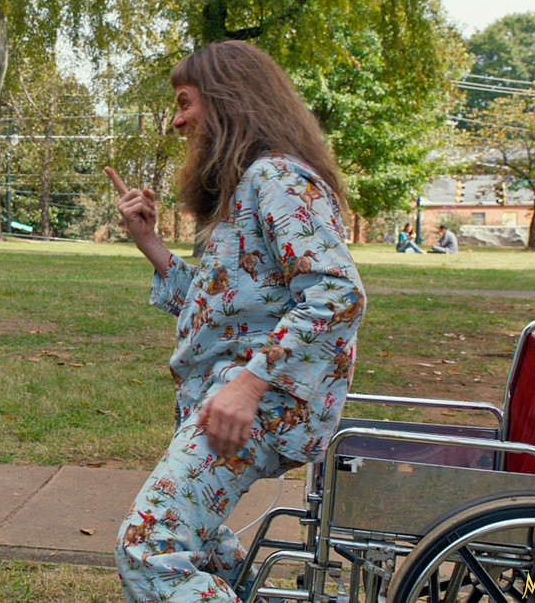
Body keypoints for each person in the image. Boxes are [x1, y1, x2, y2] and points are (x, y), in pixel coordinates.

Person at [107, 41, 366, 602]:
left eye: (184, 102)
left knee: (148, 550)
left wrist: (248, 386)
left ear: (227, 100)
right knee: (205, 550)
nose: (177, 121)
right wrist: (149, 242)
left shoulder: (278, 178)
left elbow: (338, 294)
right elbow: (227, 306)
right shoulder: (252, 182)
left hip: (261, 403)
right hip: (239, 396)